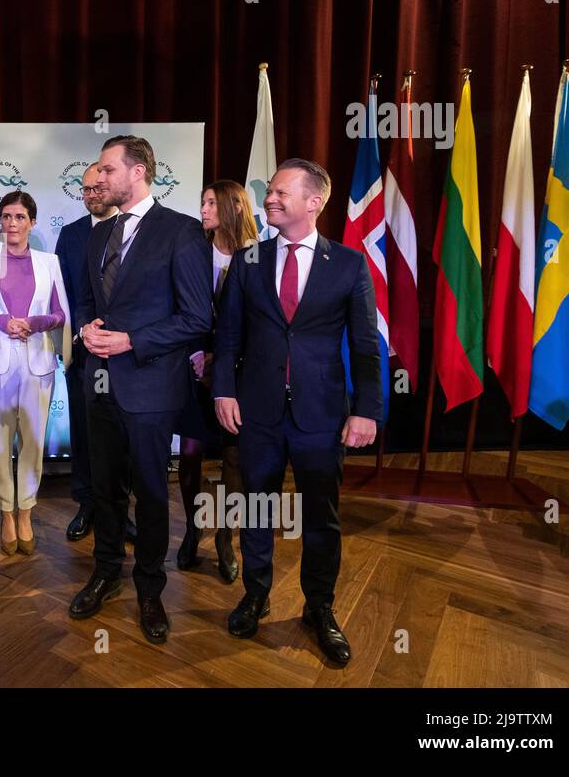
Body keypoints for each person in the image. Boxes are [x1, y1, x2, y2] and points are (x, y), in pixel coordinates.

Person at [214, 158, 381, 665]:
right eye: (270, 192)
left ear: (314, 202)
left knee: (320, 517)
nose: (269, 198)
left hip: (322, 413)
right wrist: (224, 390)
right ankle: (256, 594)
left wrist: (367, 410)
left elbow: (367, 345)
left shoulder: (350, 265)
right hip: (257, 412)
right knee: (258, 507)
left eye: (282, 192)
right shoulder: (247, 261)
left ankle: (320, 609)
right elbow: (228, 336)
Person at [67, 136, 213, 645]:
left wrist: (132, 340)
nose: (98, 179)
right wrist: (86, 327)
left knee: (151, 492)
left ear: (138, 172)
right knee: (102, 487)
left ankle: (150, 587)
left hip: (152, 388)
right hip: (98, 386)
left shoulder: (183, 232)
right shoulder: (96, 235)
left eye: (107, 170)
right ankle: (106, 570)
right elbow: (83, 301)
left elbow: (198, 317)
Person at [0, 191, 69, 556]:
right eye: (6, 216)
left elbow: (61, 313)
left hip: (38, 362)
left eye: (19, 217)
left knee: (33, 442)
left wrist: (35, 322)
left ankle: (26, 510)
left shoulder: (50, 262)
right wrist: (3, 321)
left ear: (32, 222)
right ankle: (5, 514)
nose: (12, 223)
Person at [175, 180, 257, 582]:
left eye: (211, 202)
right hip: (191, 368)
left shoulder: (257, 258)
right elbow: (175, 306)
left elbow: (261, 324)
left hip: (239, 374)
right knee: (189, 454)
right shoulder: (191, 250)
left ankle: (226, 538)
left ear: (233, 207)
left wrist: (223, 361)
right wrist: (196, 355)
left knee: (234, 461)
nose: (203, 209)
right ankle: (193, 529)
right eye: (202, 201)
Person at [54, 164, 134, 544]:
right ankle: (86, 503)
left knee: (125, 435)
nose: (91, 195)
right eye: (84, 190)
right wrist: (72, 340)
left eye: (97, 188)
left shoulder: (138, 231)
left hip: (130, 355)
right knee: (86, 433)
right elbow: (62, 293)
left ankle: (121, 510)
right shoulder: (70, 236)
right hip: (83, 354)